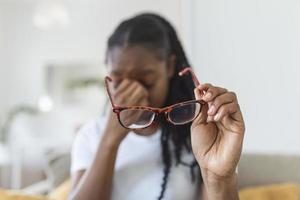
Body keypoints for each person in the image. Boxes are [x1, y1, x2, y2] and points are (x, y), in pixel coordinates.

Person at [69, 13, 245, 200]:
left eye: (146, 80)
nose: (133, 92)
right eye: (119, 81)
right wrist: (110, 140)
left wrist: (219, 178)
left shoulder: (198, 133)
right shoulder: (91, 135)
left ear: (169, 67)